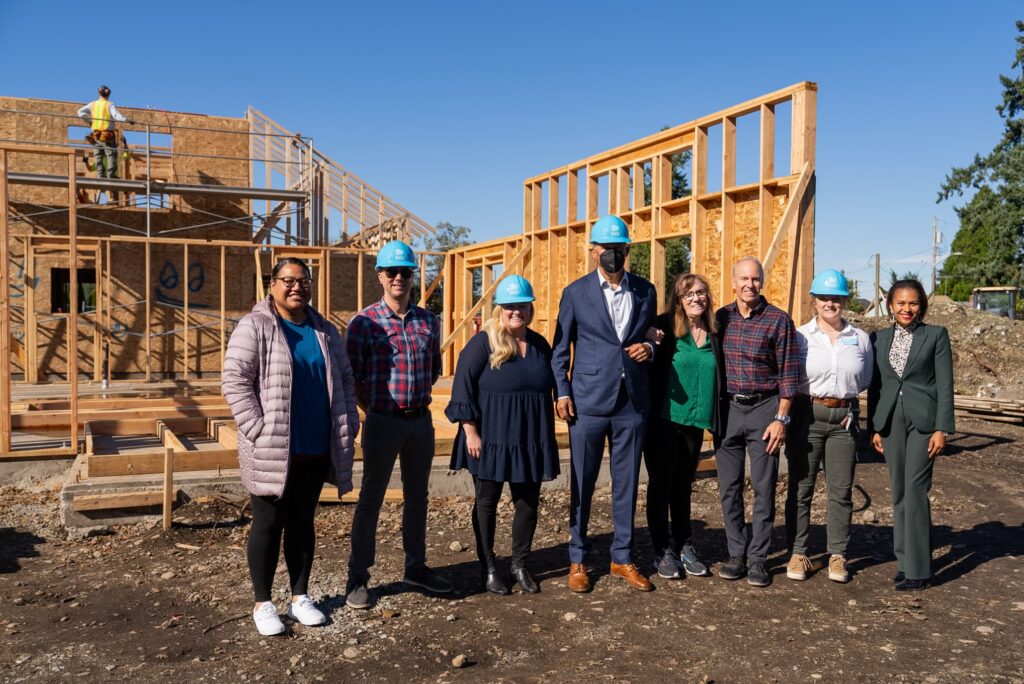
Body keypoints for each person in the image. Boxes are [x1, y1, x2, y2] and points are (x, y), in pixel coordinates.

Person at [222, 257, 359, 636]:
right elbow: (235, 380)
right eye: (288, 280)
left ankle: (300, 596)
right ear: (272, 285)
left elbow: (345, 382)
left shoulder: (325, 331)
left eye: (303, 281)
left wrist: (349, 421)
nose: (296, 287)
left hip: (315, 445)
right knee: (268, 523)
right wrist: (257, 427)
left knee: (302, 522)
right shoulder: (256, 326)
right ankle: (263, 602)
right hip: (273, 446)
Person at [551, 214, 658, 593]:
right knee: (582, 480)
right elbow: (560, 348)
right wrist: (561, 392)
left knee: (627, 482)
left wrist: (649, 346)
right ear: (593, 250)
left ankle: (622, 556)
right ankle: (577, 559)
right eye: (605, 249)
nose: (612, 255)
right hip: (588, 402)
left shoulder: (646, 291)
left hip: (632, 401)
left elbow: (652, 335)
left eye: (619, 248)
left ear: (627, 250)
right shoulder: (576, 293)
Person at [345, 240, 452, 608]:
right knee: (370, 499)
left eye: (405, 272)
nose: (399, 278)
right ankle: (357, 577)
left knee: (417, 498)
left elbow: (433, 371)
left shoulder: (427, 321)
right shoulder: (364, 323)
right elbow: (353, 378)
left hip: (419, 422)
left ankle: (416, 567)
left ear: (412, 277)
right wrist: (375, 409)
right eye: (392, 271)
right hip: (383, 422)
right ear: (380, 275)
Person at [446, 275, 560, 595]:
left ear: (530, 307)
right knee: (487, 502)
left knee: (527, 503)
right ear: (499, 309)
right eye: (510, 306)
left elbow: (556, 383)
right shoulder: (483, 344)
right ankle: (490, 567)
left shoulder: (539, 345)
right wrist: (470, 431)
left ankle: (520, 564)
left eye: (522, 305)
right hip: (489, 438)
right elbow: (462, 388)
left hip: (529, 439)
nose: (516, 312)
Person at [714, 256, 800, 588]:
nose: (750, 285)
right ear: (733, 282)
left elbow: (789, 376)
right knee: (729, 488)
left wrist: (781, 418)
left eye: (756, 279)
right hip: (729, 410)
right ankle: (737, 553)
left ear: (761, 282)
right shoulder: (720, 318)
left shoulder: (779, 321)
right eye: (744, 279)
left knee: (763, 488)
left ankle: (759, 559)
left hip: (765, 409)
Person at [784, 269, 873, 584]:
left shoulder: (860, 339)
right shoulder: (799, 336)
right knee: (801, 487)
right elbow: (790, 376)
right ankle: (797, 552)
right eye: (824, 298)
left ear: (844, 301)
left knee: (840, 491)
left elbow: (864, 379)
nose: (830, 304)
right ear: (814, 301)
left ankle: (837, 554)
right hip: (808, 415)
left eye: (836, 298)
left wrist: (847, 403)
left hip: (843, 420)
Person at [868, 278, 954, 591]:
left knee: (916, 489)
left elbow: (945, 385)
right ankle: (904, 563)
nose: (907, 309)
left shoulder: (936, 336)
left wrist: (942, 428)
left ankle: (919, 569)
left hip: (924, 423)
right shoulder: (878, 338)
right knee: (899, 492)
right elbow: (876, 387)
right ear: (890, 305)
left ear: (922, 306)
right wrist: (875, 427)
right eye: (901, 303)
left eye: (913, 303)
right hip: (891, 422)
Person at [645, 273, 725, 579]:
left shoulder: (716, 331)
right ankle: (661, 549)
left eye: (701, 292)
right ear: (678, 299)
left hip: (696, 421)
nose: (696, 298)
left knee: (682, 487)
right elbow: (646, 348)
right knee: (661, 486)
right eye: (688, 294)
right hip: (664, 421)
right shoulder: (664, 326)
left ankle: (684, 544)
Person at [77, 85, 130, 180]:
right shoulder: (109, 104)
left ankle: (100, 175)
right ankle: (111, 175)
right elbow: (115, 115)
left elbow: (80, 112)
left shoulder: (93, 104)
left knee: (98, 155)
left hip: (96, 135)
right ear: (108, 94)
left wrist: (90, 121)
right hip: (107, 135)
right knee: (110, 154)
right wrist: (125, 120)